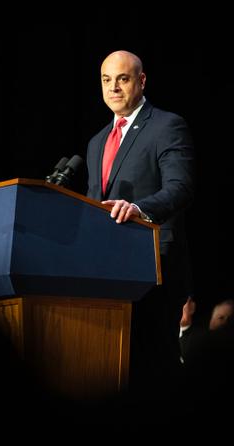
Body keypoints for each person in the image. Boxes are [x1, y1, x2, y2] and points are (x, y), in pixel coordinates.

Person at [86, 50, 195, 400]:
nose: (113, 87)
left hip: (154, 268)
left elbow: (180, 187)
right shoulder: (96, 142)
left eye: (123, 78)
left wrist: (138, 209)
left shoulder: (166, 125)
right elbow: (93, 205)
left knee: (154, 368)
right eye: (106, 80)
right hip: (107, 273)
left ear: (141, 80)